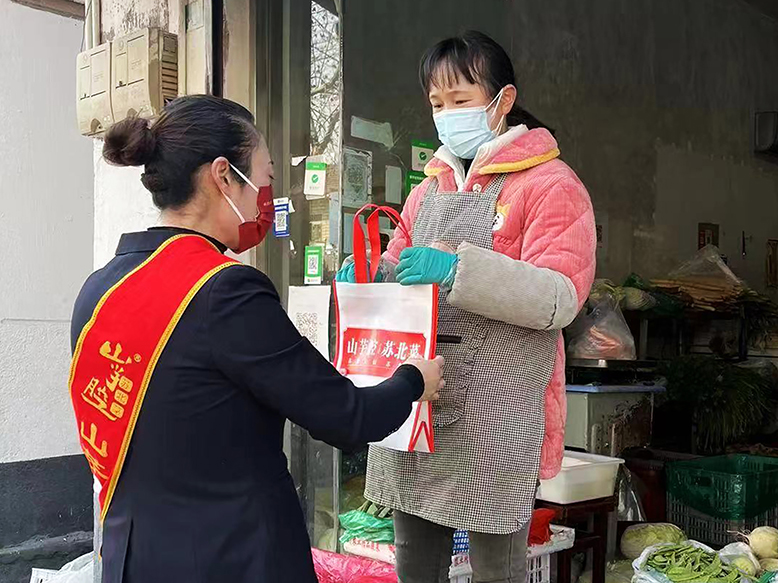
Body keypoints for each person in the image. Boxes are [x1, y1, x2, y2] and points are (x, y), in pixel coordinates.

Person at [68, 95, 445, 583]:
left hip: (131, 559)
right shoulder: (224, 290)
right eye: (265, 179)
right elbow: (346, 417)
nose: (267, 197)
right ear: (223, 176)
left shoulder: (100, 289)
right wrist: (413, 380)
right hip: (233, 557)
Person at [338, 31, 596, 583]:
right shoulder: (425, 192)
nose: (446, 115)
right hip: (422, 402)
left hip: (497, 417)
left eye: (461, 101)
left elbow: (561, 297)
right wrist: (368, 277)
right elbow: (397, 264)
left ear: (502, 102)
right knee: (417, 568)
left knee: (495, 573)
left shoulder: (552, 185)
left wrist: (459, 271)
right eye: (437, 104)